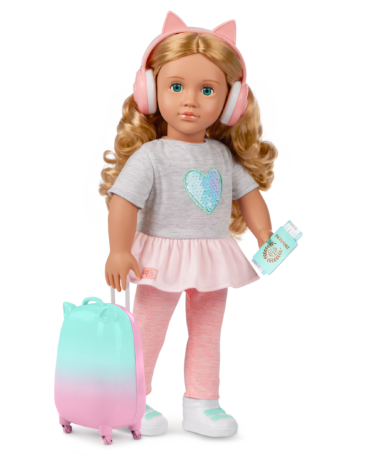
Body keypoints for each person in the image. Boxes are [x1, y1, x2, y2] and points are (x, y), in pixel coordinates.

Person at [99, 10, 279, 438]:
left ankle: (202, 402)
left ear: (231, 102)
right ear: (150, 91)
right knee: (147, 328)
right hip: (160, 253)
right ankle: (132, 400)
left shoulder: (223, 156)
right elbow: (123, 201)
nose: (190, 101)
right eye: (176, 86)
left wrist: (267, 238)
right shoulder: (151, 156)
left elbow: (250, 197)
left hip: (214, 255)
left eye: (207, 90)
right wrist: (119, 249)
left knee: (208, 330)